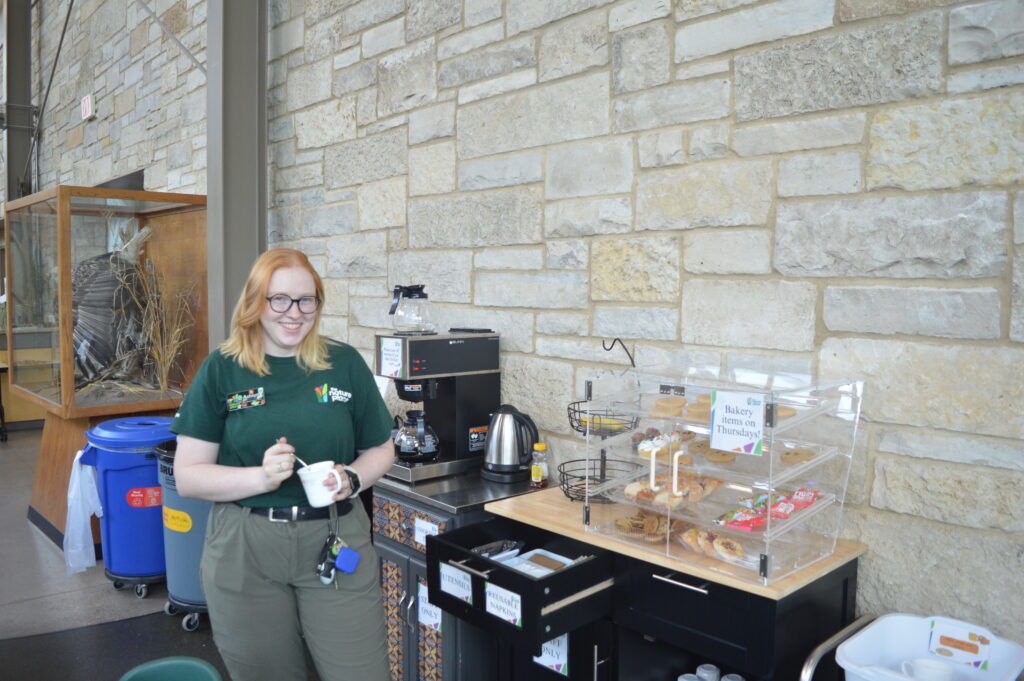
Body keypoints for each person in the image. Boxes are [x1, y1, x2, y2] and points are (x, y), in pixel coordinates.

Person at [171, 248, 394, 681]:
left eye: (306, 300)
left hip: (335, 534)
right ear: (256, 301)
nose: (294, 313)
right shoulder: (222, 369)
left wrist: (352, 478)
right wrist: (261, 476)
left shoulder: (343, 364)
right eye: (280, 299)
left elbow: (381, 449)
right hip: (244, 544)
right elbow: (189, 476)